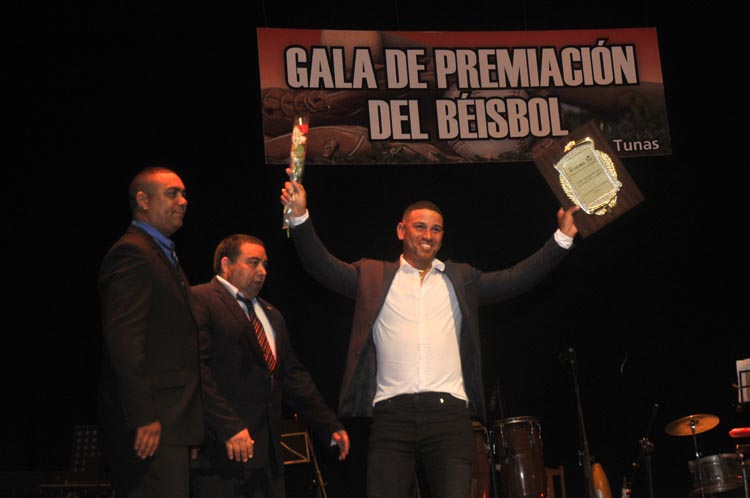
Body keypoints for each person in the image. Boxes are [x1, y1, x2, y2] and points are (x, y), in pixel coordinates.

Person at [280, 171, 579, 498]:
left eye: (436, 229)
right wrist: (299, 218)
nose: (428, 235)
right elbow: (321, 266)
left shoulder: (461, 278)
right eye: (420, 226)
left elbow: (515, 279)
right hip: (392, 417)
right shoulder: (374, 275)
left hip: (448, 417)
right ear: (401, 230)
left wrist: (560, 239)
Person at [190, 233, 350, 498]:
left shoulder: (271, 315)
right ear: (227, 265)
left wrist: (328, 424)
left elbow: (293, 377)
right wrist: (228, 426)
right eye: (253, 263)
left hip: (267, 457)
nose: (262, 271)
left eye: (265, 264)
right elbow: (196, 370)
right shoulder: (201, 299)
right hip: (220, 455)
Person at [98, 166, 204, 497]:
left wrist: (191, 429)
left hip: (172, 426)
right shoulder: (133, 253)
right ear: (142, 200)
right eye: (172, 193)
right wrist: (144, 415)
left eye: (184, 194)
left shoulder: (161, 254)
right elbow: (125, 341)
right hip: (153, 426)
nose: (183, 201)